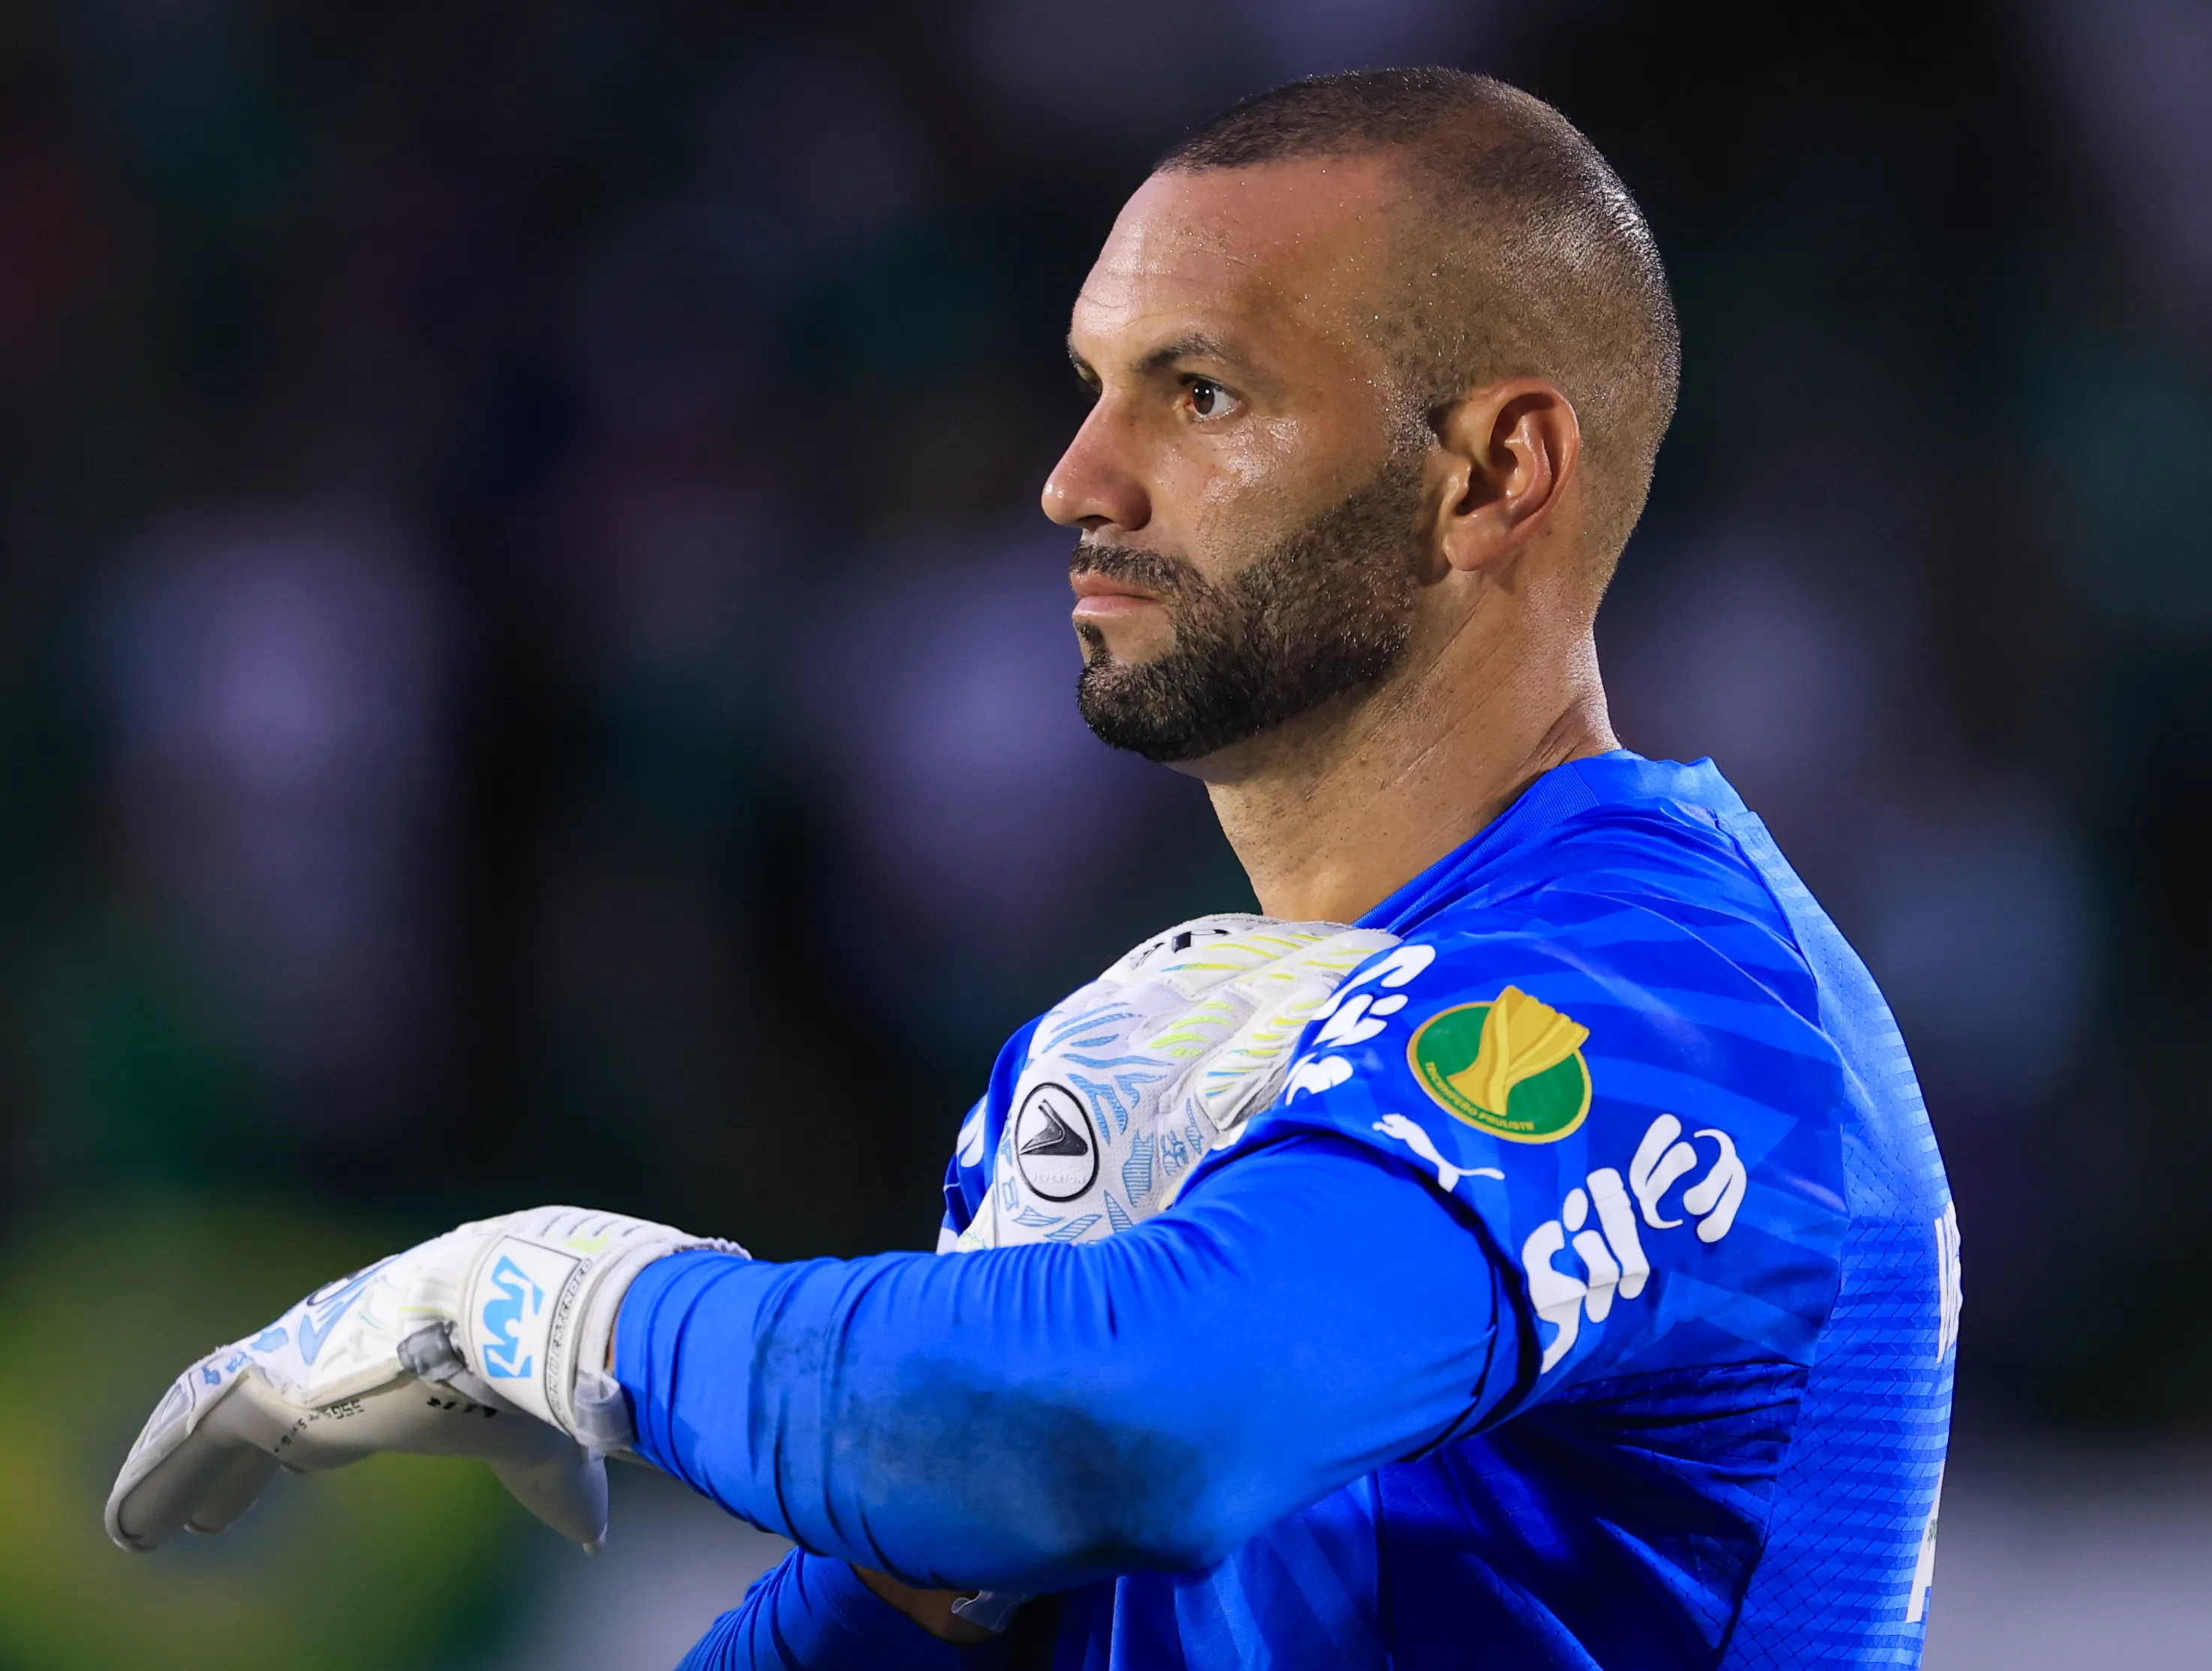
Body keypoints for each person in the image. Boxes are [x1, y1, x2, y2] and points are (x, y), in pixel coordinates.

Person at [108, 68, 1958, 1670]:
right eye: (1089, 386)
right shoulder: (1199, 1038)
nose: (1077, 478)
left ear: (1492, 473)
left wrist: (557, 1304)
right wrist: (936, 1518)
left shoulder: (1671, 1002)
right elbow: (999, 1512)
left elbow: (1130, 1430)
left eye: (1200, 394)